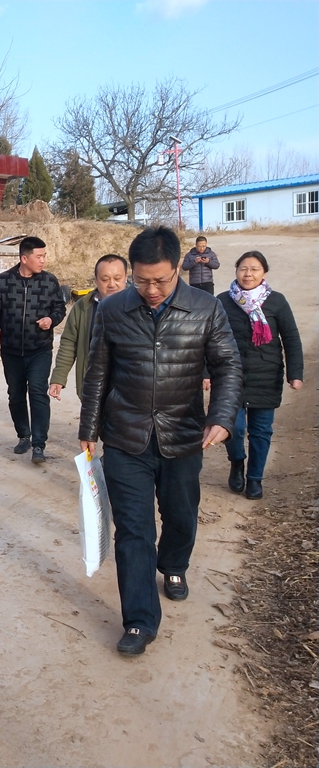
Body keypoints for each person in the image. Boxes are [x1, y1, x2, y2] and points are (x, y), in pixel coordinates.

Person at [79, 226, 241, 657]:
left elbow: (228, 366)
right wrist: (88, 429)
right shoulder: (112, 310)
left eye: (161, 281)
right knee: (133, 530)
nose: (151, 290)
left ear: (178, 270)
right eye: (141, 281)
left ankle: (173, 564)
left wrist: (222, 417)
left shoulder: (206, 308)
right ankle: (139, 620)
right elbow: (97, 372)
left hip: (183, 434)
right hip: (125, 435)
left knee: (181, 515)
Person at [217, 251, 303, 500]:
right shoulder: (222, 301)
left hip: (266, 375)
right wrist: (205, 371)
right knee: (233, 427)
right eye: (243, 268)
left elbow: (291, 339)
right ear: (236, 270)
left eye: (254, 269)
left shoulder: (276, 301)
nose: (248, 274)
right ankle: (237, 462)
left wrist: (295, 374)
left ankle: (255, 478)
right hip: (230, 375)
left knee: (261, 430)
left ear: (264, 272)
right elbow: (207, 338)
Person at [0, 236, 67, 463]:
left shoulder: (49, 281)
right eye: (39, 256)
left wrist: (51, 319)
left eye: (44, 256)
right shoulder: (4, 281)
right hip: (11, 351)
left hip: (39, 349)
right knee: (16, 395)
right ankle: (24, 436)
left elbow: (60, 309)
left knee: (38, 393)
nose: (43, 260)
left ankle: (39, 444)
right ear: (24, 258)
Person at [49, 254, 128, 401]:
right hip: (93, 386)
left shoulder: (140, 307)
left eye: (117, 278)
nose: (112, 284)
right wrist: (58, 378)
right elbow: (69, 343)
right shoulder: (83, 307)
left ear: (126, 278)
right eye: (105, 279)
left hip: (129, 389)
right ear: (96, 280)